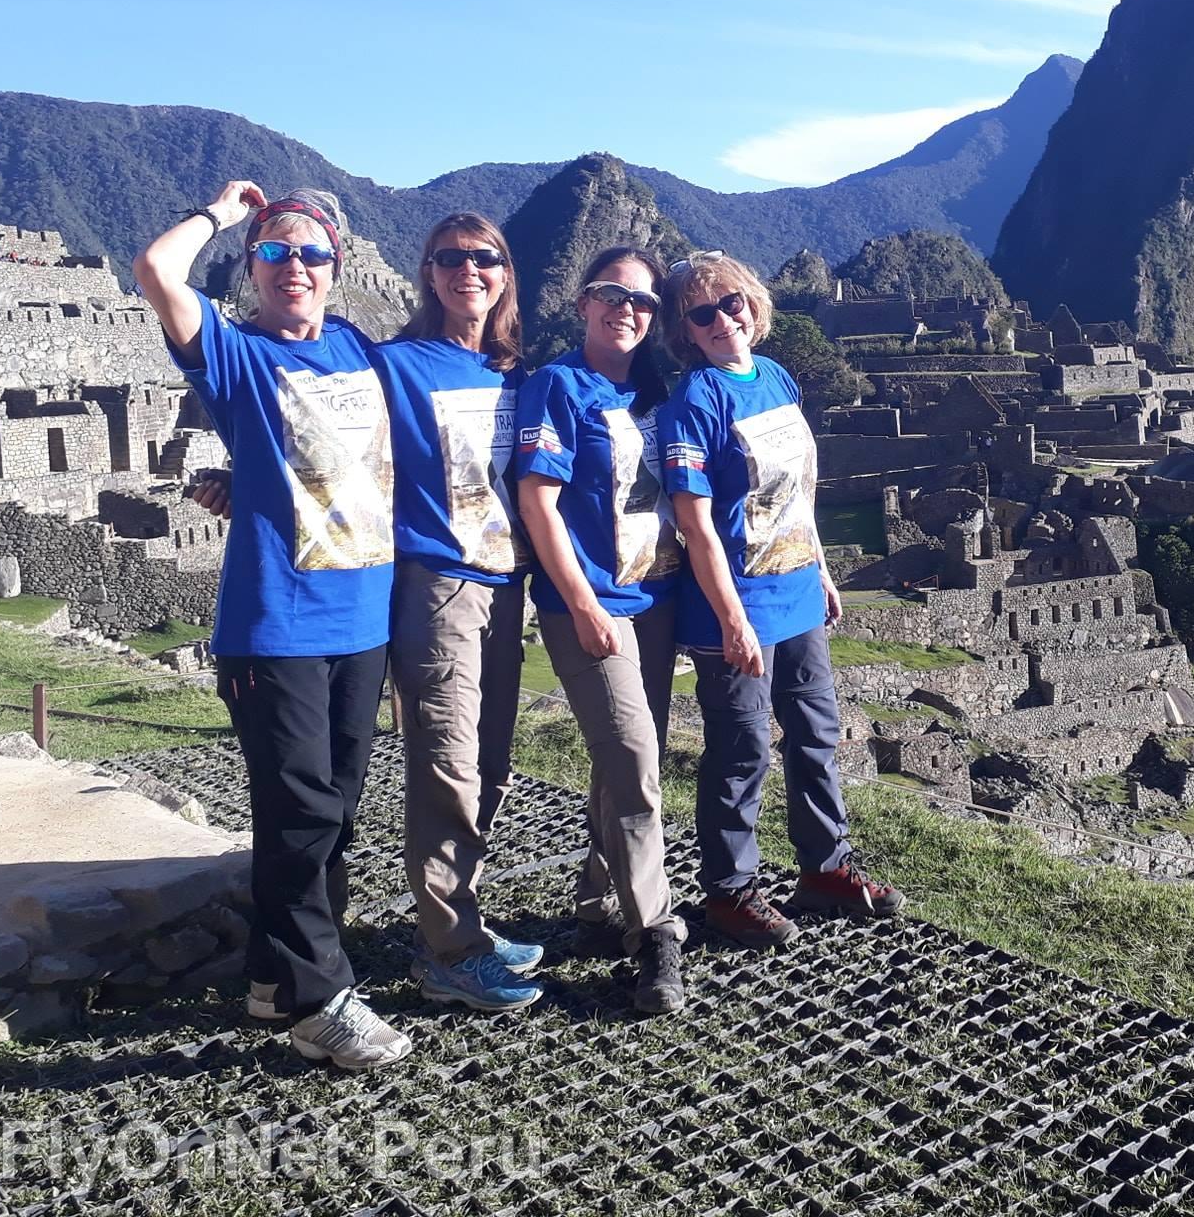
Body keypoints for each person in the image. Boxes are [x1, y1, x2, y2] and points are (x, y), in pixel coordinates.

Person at [133, 181, 408, 1071]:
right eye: (277, 253)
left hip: (362, 621)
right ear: (251, 269)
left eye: (311, 253)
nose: (296, 267)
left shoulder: (358, 350)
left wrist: (236, 476)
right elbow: (155, 270)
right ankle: (318, 1000)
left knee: (334, 814)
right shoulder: (240, 356)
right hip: (276, 626)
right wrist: (221, 212)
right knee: (298, 813)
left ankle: (272, 977)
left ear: (335, 268)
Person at [658, 251, 903, 948]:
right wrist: (731, 617)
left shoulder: (775, 377)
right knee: (740, 751)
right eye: (702, 313)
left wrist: (821, 567)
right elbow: (695, 522)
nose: (722, 320)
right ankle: (731, 891)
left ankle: (825, 869)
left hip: (795, 590)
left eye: (731, 302)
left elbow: (800, 490)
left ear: (753, 304)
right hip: (733, 606)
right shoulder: (696, 401)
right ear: (686, 330)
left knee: (816, 735)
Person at [369, 212, 546, 1014]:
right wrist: (240, 476)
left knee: (493, 763)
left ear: (504, 275)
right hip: (438, 583)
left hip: (506, 588)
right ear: (428, 274)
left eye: (484, 259)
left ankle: (459, 919)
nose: (467, 271)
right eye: (449, 259)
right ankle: (450, 951)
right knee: (447, 762)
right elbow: (325, 439)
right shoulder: (398, 365)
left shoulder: (513, 375)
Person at [514, 246, 688, 1013]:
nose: (627, 309)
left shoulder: (655, 394)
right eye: (611, 294)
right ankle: (653, 934)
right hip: (592, 605)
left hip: (658, 599)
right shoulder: (558, 385)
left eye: (643, 302)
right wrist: (581, 601)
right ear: (583, 302)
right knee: (638, 763)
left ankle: (596, 903)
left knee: (619, 761)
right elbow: (537, 502)